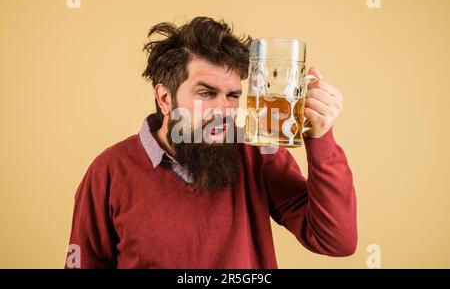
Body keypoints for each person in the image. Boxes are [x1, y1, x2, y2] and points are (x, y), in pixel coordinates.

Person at [65, 16, 357, 269]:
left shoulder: (259, 153)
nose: (224, 111)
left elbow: (335, 240)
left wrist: (320, 137)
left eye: (232, 96)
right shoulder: (109, 171)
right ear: (165, 98)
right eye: (206, 93)